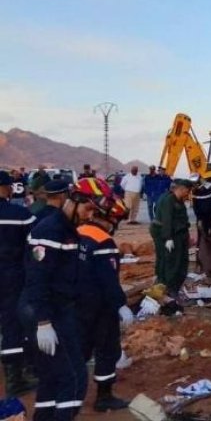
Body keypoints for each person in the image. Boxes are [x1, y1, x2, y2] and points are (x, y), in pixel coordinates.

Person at [19, 178, 108, 421]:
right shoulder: (49, 231)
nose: (90, 215)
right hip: (45, 310)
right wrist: (43, 322)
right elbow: (37, 279)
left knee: (50, 375)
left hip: (59, 310)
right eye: (88, 208)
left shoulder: (69, 232)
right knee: (73, 376)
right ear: (74, 201)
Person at [76, 193, 133, 412]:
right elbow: (108, 280)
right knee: (107, 349)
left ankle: (73, 391)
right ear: (110, 218)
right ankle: (104, 396)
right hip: (100, 307)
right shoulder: (104, 241)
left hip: (77, 305)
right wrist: (120, 304)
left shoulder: (78, 233)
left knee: (80, 349)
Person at [0, 171, 39, 396]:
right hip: (12, 277)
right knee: (12, 324)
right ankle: (15, 379)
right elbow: (34, 248)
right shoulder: (20, 214)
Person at [150, 178, 193, 297]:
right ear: (181, 189)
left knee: (176, 259)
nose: (188, 194)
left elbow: (181, 219)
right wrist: (168, 238)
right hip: (166, 233)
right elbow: (167, 219)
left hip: (177, 233)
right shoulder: (169, 200)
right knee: (171, 260)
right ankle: (168, 286)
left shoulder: (178, 200)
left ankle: (168, 285)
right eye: (187, 191)